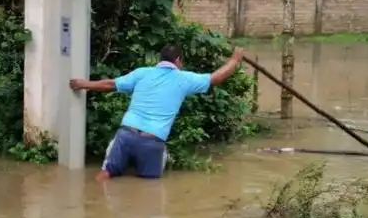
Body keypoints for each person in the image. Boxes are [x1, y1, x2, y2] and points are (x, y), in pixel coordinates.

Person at [69, 45, 245, 181]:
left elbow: (110, 85)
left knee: (106, 174)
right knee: (149, 189)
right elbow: (216, 78)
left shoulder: (142, 73)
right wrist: (235, 60)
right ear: (177, 60)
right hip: (152, 141)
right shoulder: (184, 78)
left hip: (126, 135)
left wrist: (83, 84)